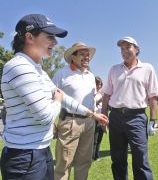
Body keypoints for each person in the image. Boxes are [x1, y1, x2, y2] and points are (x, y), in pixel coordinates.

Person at [0, 14, 108, 180]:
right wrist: (57, 101)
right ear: (29, 37)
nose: (55, 42)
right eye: (49, 36)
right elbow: (45, 116)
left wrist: (93, 115)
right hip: (24, 156)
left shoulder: (37, 70)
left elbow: (64, 97)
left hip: (40, 150)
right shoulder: (19, 67)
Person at [101, 36, 158, 180]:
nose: (124, 51)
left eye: (128, 47)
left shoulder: (147, 68)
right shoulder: (114, 69)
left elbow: (153, 96)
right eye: (122, 48)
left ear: (137, 49)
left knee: (140, 158)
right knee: (118, 158)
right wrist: (103, 116)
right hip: (115, 117)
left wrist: (153, 120)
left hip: (137, 117)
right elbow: (106, 96)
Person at [53, 42, 102, 180]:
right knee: (63, 165)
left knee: (84, 163)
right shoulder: (61, 73)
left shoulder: (91, 76)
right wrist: (51, 123)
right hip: (70, 122)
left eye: (88, 55)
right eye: (82, 54)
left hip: (89, 123)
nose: (87, 57)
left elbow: (91, 100)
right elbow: (50, 97)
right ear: (73, 57)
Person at [92, 76, 104, 161]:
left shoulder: (100, 94)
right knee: (94, 140)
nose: (100, 86)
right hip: (94, 119)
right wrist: (100, 100)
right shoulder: (92, 94)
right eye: (99, 84)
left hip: (101, 119)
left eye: (100, 84)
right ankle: (92, 156)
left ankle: (96, 155)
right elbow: (92, 106)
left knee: (100, 139)